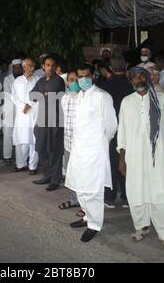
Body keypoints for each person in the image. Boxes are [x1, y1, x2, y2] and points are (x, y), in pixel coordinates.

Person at [117, 67, 164, 256]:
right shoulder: (126, 102)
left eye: (142, 76)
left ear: (148, 78)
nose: (139, 80)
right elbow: (123, 132)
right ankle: (141, 226)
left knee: (160, 193)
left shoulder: (161, 99)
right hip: (134, 156)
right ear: (131, 82)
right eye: (135, 78)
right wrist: (122, 159)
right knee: (136, 191)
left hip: (158, 156)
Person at [66, 65, 118, 243]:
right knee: (80, 188)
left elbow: (111, 126)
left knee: (92, 190)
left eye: (86, 76)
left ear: (93, 76)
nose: (82, 79)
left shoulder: (102, 97)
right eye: (80, 76)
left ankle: (94, 224)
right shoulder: (80, 95)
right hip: (79, 149)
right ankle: (87, 216)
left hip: (94, 151)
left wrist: (101, 142)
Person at [98, 58, 133, 208]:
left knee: (111, 163)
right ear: (126, 66)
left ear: (110, 68)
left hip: (111, 130)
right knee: (128, 163)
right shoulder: (132, 85)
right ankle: (127, 196)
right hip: (130, 130)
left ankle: (110, 197)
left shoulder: (104, 87)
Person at [32, 56, 66, 191]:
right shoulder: (40, 81)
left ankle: (55, 180)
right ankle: (47, 175)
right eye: (47, 65)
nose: (50, 67)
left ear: (56, 67)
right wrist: (42, 95)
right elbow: (32, 95)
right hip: (42, 121)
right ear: (43, 67)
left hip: (55, 121)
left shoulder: (58, 81)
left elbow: (50, 97)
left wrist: (42, 96)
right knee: (41, 148)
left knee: (54, 150)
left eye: (52, 65)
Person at [12, 58, 40, 174]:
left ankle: (33, 166)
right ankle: (20, 164)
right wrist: (22, 106)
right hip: (22, 115)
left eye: (33, 65)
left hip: (34, 113)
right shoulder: (17, 81)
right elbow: (13, 96)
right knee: (21, 140)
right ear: (24, 67)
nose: (33, 68)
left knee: (34, 141)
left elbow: (40, 94)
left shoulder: (38, 80)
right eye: (30, 66)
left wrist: (30, 105)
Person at [58, 70, 81, 211]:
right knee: (70, 173)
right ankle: (73, 199)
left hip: (81, 143)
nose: (74, 83)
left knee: (82, 174)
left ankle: (85, 205)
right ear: (67, 82)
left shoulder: (84, 98)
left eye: (76, 80)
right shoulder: (64, 98)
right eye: (71, 80)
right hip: (67, 142)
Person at [2, 60, 23, 166]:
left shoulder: (24, 79)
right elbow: (8, 94)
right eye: (16, 67)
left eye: (20, 67)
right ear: (12, 68)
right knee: (8, 133)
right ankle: (7, 156)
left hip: (21, 110)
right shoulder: (7, 79)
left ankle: (21, 157)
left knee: (20, 132)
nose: (18, 69)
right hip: (10, 109)